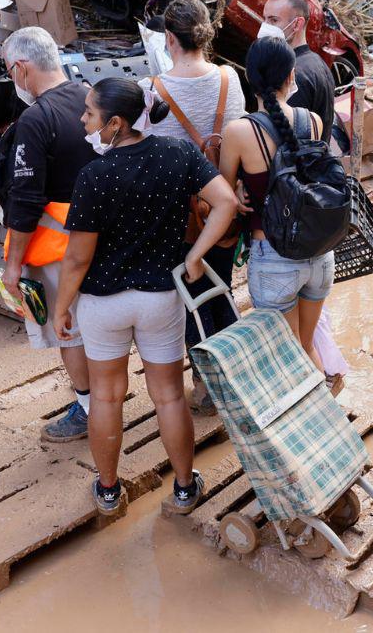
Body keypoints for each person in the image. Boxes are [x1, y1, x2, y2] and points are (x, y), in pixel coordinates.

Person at [52, 78, 238, 516]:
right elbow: (226, 202)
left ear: (114, 123)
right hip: (161, 298)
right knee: (170, 396)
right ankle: (186, 490)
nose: (83, 120)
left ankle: (110, 491)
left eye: (90, 114)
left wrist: (61, 308)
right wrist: (195, 255)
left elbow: (77, 260)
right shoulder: (178, 154)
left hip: (104, 304)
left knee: (106, 397)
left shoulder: (93, 177)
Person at [0, 27, 97, 441]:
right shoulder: (91, 96)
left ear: (21, 69)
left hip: (58, 246)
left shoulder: (35, 119)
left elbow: (25, 201)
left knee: (67, 327)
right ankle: (105, 395)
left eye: (8, 72)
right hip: (101, 235)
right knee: (98, 324)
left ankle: (90, 407)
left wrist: (13, 265)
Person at [150, 0, 245, 410]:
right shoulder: (230, 80)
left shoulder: (153, 90)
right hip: (222, 209)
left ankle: (204, 385)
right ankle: (231, 378)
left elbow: (148, 151)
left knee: (188, 301)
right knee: (220, 288)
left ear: (168, 38)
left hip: (176, 213)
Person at [219, 38, 333, 364]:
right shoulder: (313, 120)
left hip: (273, 257)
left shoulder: (238, 131)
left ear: (249, 77)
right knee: (307, 348)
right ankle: (324, 413)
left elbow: (223, 195)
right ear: (290, 76)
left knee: (287, 361)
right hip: (319, 254)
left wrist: (242, 185)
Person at [259, 0, 334, 144]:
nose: (265, 27)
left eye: (274, 20)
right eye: (264, 19)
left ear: (297, 24)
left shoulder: (293, 76)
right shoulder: (317, 62)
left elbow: (281, 140)